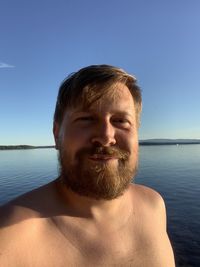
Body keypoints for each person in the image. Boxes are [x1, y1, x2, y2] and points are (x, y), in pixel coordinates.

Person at [0, 65, 175, 266]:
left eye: (120, 120)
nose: (106, 137)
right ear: (57, 134)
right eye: (86, 119)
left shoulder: (153, 206)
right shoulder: (9, 237)